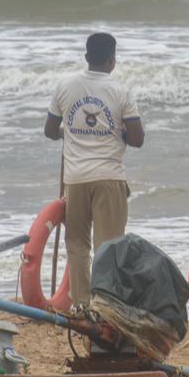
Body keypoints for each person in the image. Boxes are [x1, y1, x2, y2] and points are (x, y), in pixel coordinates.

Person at [44, 32, 144, 309]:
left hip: (75, 179)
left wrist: (71, 132)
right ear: (113, 59)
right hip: (109, 176)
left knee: (77, 244)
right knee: (108, 246)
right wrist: (114, 132)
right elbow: (137, 138)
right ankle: (106, 304)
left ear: (87, 57)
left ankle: (81, 305)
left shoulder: (65, 86)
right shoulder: (121, 91)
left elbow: (50, 131)